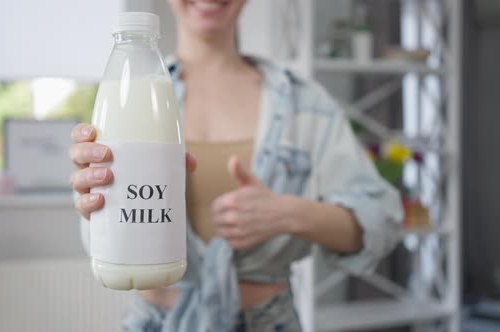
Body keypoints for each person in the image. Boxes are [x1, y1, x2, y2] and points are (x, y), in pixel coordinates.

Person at [69, 0, 403, 331]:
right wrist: (95, 202)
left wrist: (289, 213)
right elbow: (101, 235)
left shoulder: (305, 103)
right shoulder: (133, 91)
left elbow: (381, 220)